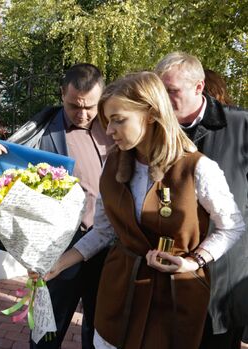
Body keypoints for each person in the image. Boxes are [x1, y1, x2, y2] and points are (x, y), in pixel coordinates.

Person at [44, 71, 245, 349]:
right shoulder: (112, 166)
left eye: (118, 119)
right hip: (118, 293)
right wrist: (58, 264)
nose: (109, 130)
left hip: (174, 298)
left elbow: (232, 225)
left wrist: (194, 260)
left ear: (150, 114)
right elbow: (103, 231)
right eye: (107, 120)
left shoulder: (198, 168)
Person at [0, 63, 113, 349]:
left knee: (100, 329)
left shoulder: (114, 125)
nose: (84, 114)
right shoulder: (42, 128)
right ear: (62, 93)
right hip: (61, 246)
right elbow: (9, 162)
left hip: (109, 245)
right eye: (75, 106)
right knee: (48, 327)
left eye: (91, 106)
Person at [155, 52, 248, 349]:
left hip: (225, 274)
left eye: (172, 91)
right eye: (160, 91)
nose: (164, 99)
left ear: (199, 87)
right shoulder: (154, 130)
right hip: (169, 272)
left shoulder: (241, 126)